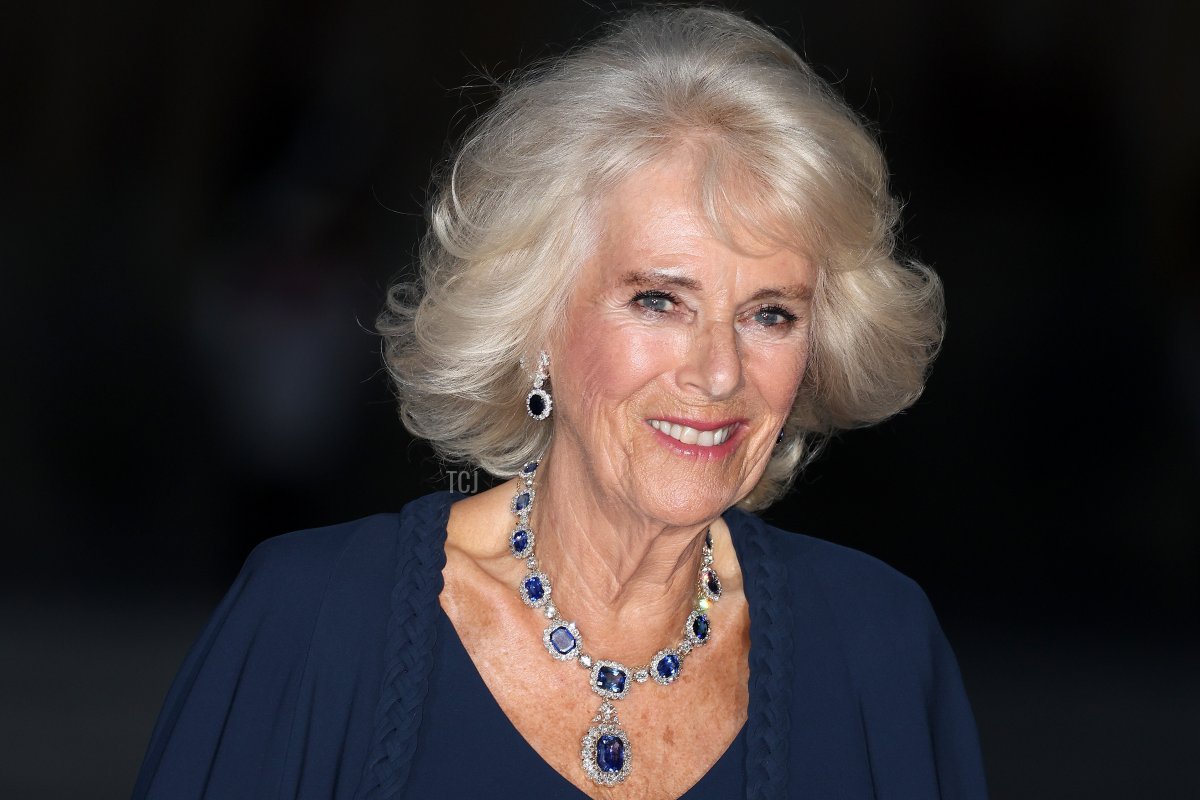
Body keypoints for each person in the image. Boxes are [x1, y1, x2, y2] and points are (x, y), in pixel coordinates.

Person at [133, 7, 987, 799]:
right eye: (660, 299)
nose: (720, 372)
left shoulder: (879, 648)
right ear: (535, 317)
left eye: (770, 314)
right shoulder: (312, 622)